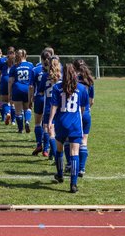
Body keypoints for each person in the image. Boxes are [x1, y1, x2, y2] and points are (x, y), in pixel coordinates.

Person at [48, 63, 89, 193]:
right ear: (74, 73)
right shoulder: (82, 89)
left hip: (61, 122)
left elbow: (54, 106)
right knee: (74, 153)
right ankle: (73, 184)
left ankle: (60, 174)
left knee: (59, 150)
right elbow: (83, 109)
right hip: (75, 123)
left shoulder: (57, 87)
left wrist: (50, 121)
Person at [29, 49, 53, 156]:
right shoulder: (58, 69)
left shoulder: (35, 69)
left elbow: (31, 86)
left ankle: (39, 143)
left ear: (41, 59)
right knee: (50, 125)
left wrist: (30, 99)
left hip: (40, 97)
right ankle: (47, 148)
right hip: (53, 100)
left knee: (38, 123)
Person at [73, 59, 95, 177]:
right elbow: (92, 101)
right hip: (86, 112)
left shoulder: (73, 79)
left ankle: (70, 165)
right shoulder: (89, 80)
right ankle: (81, 168)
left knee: (70, 140)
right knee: (84, 141)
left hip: (73, 113)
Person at [38, 55, 62, 159]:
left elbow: (41, 91)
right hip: (61, 106)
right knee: (57, 131)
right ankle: (54, 152)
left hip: (48, 106)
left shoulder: (45, 76)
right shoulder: (62, 76)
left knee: (47, 129)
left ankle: (51, 152)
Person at [8, 49, 34, 133]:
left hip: (17, 89)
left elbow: (10, 81)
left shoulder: (14, 66)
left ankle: (20, 129)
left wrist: (9, 93)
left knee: (18, 111)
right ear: (25, 56)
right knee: (28, 108)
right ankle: (27, 121)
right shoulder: (31, 65)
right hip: (27, 89)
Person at [0, 49, 15, 123]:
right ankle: (13, 121)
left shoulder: (2, 61)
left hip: (4, 80)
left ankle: (6, 114)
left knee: (4, 101)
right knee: (13, 102)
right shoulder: (16, 61)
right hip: (13, 81)